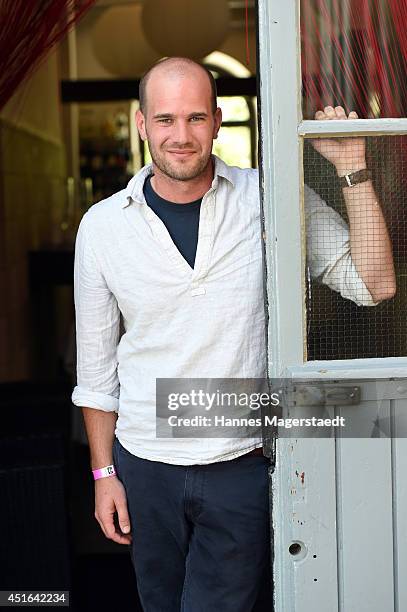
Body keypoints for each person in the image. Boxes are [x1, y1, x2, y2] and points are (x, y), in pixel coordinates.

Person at [71, 57, 395, 612]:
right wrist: (104, 475)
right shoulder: (103, 225)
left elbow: (375, 284)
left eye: (196, 118)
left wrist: (352, 168)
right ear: (142, 123)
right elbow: (97, 372)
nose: (181, 136)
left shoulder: (266, 199)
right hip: (143, 465)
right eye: (166, 119)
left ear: (219, 121)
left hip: (242, 462)